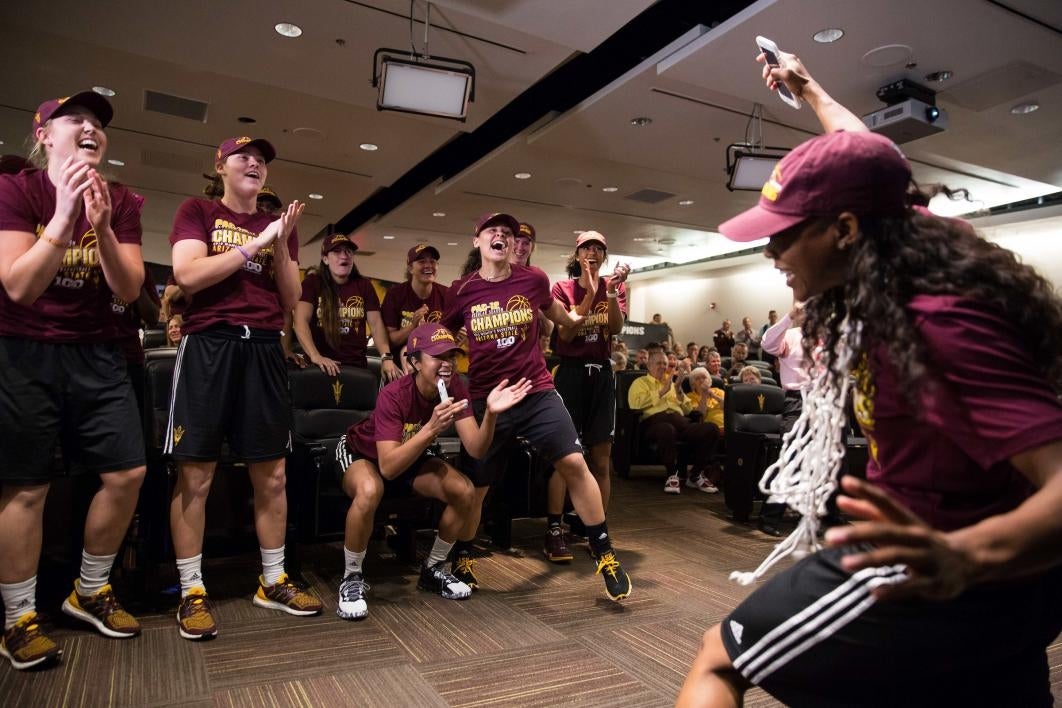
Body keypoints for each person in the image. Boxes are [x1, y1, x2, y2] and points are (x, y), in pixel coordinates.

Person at [678, 51, 1062, 708]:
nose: (770, 253)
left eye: (783, 236)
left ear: (845, 230)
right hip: (1004, 580)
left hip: (939, 565)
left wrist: (963, 556)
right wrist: (808, 88)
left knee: (720, 656)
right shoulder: (903, 236)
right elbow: (868, 155)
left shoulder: (936, 324)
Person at [0, 91, 146, 669]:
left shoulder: (124, 199)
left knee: (127, 472)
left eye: (98, 124)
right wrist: (63, 215)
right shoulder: (15, 190)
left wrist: (103, 225)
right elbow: (18, 286)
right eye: (76, 120)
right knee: (26, 487)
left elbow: (129, 289)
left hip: (99, 354)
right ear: (43, 135)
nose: (91, 128)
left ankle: (89, 590)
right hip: (23, 353)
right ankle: (17, 619)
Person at [166, 135, 321, 641]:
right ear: (221, 165)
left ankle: (272, 580)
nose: (255, 163)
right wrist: (254, 243)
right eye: (244, 156)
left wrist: (279, 244)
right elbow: (188, 275)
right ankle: (191, 590)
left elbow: (292, 295)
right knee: (198, 477)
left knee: (272, 474)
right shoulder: (198, 211)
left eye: (262, 160)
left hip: (262, 351)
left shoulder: (280, 227)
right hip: (209, 344)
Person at [443, 213, 632, 600]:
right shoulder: (461, 290)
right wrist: (446, 350)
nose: (501, 235)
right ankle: (463, 555)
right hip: (487, 396)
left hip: (535, 391)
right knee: (477, 487)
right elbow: (440, 334)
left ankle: (604, 553)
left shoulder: (533, 280)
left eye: (507, 233)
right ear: (476, 241)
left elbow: (563, 320)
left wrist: (597, 296)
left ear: (514, 245)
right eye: (492, 231)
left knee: (575, 464)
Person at [331, 324, 531, 618]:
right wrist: (430, 429)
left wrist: (490, 415)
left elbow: (476, 448)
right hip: (363, 454)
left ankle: (433, 568)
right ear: (414, 362)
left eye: (450, 356)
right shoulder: (394, 394)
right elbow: (387, 468)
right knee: (370, 490)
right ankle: (351, 577)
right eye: (437, 356)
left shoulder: (453, 386)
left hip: (409, 455)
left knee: (464, 491)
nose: (446, 364)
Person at [545, 230, 630, 562]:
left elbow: (617, 327)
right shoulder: (561, 288)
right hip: (571, 373)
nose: (592, 253)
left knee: (600, 459)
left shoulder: (615, 287)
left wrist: (607, 294)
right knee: (565, 458)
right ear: (577, 254)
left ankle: (597, 533)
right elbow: (565, 331)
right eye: (587, 248)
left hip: (602, 375)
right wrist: (589, 293)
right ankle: (554, 529)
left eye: (599, 249)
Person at [293, 233, 399, 381]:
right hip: (319, 366)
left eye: (348, 251)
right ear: (325, 259)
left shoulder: (364, 285)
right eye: (337, 251)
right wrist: (315, 356)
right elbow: (300, 322)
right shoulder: (312, 283)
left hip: (356, 366)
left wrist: (386, 357)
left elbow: (376, 325)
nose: (344, 256)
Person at [628, 350, 720, 494]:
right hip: (654, 424)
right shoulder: (639, 383)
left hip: (681, 423)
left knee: (711, 429)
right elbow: (635, 404)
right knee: (667, 428)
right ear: (649, 365)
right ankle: (673, 475)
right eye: (659, 363)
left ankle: (695, 475)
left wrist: (678, 389)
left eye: (665, 363)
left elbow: (689, 409)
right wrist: (661, 392)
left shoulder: (672, 384)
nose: (663, 366)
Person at [381, 244, 448, 367]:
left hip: (435, 366)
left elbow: (450, 339)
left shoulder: (446, 294)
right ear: (410, 268)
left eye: (432, 262)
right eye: (422, 261)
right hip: (400, 367)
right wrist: (413, 326)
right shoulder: (395, 295)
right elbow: (391, 340)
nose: (428, 265)